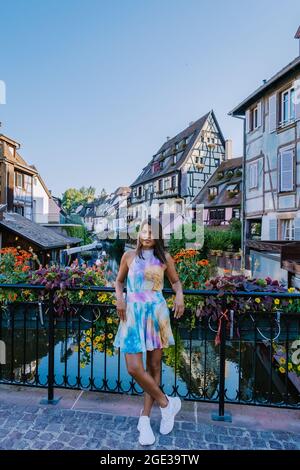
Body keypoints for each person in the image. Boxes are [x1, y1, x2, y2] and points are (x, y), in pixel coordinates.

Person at [113, 217, 185, 446]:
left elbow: (175, 282)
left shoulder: (165, 258)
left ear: (157, 237)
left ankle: (144, 419)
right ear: (138, 233)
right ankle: (167, 404)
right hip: (132, 314)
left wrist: (180, 295)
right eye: (144, 231)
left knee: (154, 366)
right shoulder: (128, 256)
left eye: (151, 233)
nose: (146, 236)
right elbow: (119, 282)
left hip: (156, 313)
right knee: (134, 368)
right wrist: (119, 300)